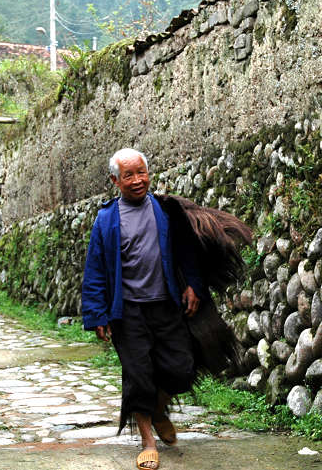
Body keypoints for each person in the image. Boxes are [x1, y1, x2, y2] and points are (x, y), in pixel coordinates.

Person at [81, 148, 250, 470]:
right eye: (128, 175)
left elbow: (187, 251)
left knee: (181, 369)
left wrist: (194, 287)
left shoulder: (167, 210)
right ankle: (147, 442)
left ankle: (159, 409)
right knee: (138, 376)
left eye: (141, 172)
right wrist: (96, 314)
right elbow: (96, 269)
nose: (137, 180)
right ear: (115, 180)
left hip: (166, 305)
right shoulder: (106, 220)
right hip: (127, 312)